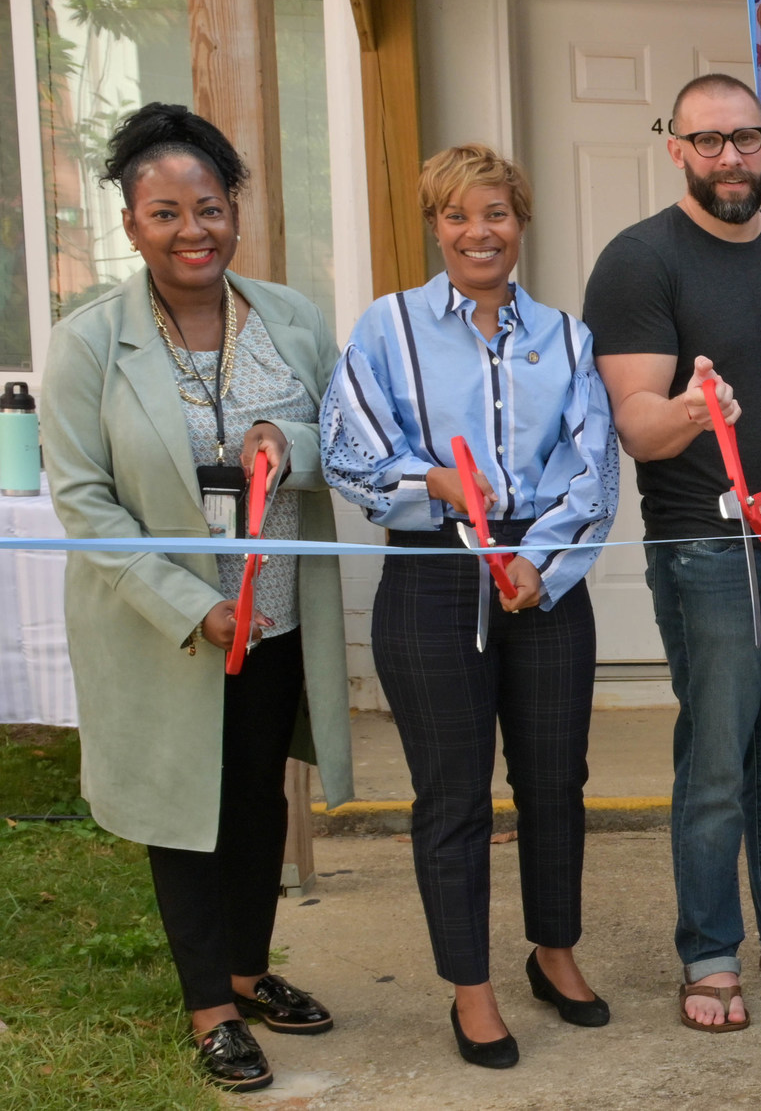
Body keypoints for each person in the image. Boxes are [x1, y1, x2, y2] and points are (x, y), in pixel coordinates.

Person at [40, 104, 353, 1092]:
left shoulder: (293, 320)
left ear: (235, 212)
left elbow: (344, 435)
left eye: (209, 208)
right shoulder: (89, 343)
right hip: (165, 627)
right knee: (187, 808)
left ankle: (250, 971)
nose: (193, 230)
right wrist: (189, 603)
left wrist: (288, 445)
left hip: (275, 616)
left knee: (259, 799)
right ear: (130, 224)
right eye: (165, 212)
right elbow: (84, 502)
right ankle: (209, 1010)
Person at [583, 71, 761, 1031]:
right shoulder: (640, 261)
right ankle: (708, 954)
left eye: (746, 139)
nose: (730, 159)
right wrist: (694, 405)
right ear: (677, 148)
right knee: (716, 758)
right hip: (705, 547)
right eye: (708, 142)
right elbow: (637, 427)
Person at [321, 145, 619, 1067]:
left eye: (494, 213)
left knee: (554, 781)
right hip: (432, 576)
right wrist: (438, 482)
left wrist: (536, 562)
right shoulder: (387, 327)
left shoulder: (565, 337)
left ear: (520, 222)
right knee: (452, 794)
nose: (477, 232)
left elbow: (595, 465)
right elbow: (350, 450)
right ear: (435, 226)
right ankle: (472, 991)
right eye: (457, 216)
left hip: (542, 581)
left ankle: (554, 951)